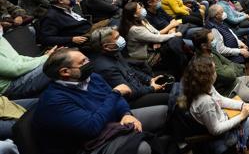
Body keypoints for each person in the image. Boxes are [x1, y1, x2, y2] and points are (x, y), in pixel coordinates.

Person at [33, 48, 168, 154]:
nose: (89, 63)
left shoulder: (92, 78)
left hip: (110, 123)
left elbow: (117, 101)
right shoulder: (54, 101)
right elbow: (92, 128)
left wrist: (126, 114)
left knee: (164, 112)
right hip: (88, 145)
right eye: (82, 62)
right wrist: (115, 93)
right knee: (142, 148)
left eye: (86, 59)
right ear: (65, 72)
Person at [91, 27, 170, 108]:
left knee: (170, 83)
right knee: (169, 98)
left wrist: (149, 79)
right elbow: (129, 92)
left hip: (139, 88)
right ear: (106, 46)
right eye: (117, 38)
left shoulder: (114, 52)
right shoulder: (106, 68)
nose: (121, 39)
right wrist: (152, 88)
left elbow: (130, 71)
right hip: (130, 101)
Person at [192, 29, 249, 106]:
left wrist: (228, 68)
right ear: (203, 46)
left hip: (234, 81)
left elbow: (227, 62)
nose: (214, 42)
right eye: (212, 41)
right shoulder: (204, 62)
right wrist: (229, 69)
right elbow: (228, 75)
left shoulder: (211, 50)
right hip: (230, 90)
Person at [0, 24, 54, 99]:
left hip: (20, 74)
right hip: (10, 87)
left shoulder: (1, 39)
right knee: (57, 63)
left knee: (59, 58)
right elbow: (15, 70)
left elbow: (18, 58)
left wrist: (44, 57)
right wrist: (45, 58)